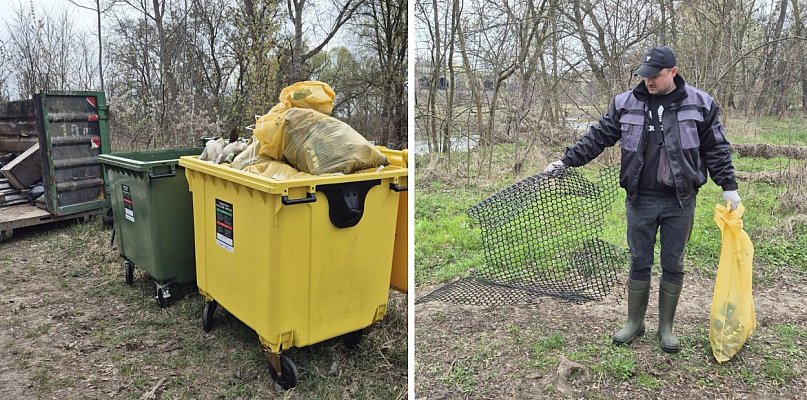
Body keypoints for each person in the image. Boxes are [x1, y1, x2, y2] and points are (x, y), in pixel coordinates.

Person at [543, 45, 740, 353]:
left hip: (680, 201)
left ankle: (666, 328)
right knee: (639, 261)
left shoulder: (701, 104)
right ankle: (634, 323)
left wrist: (729, 186)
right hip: (640, 199)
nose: (648, 81)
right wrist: (566, 161)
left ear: (673, 72)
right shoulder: (626, 103)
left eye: (655, 76)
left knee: (673, 263)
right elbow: (598, 136)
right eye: (644, 75)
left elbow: (715, 147)